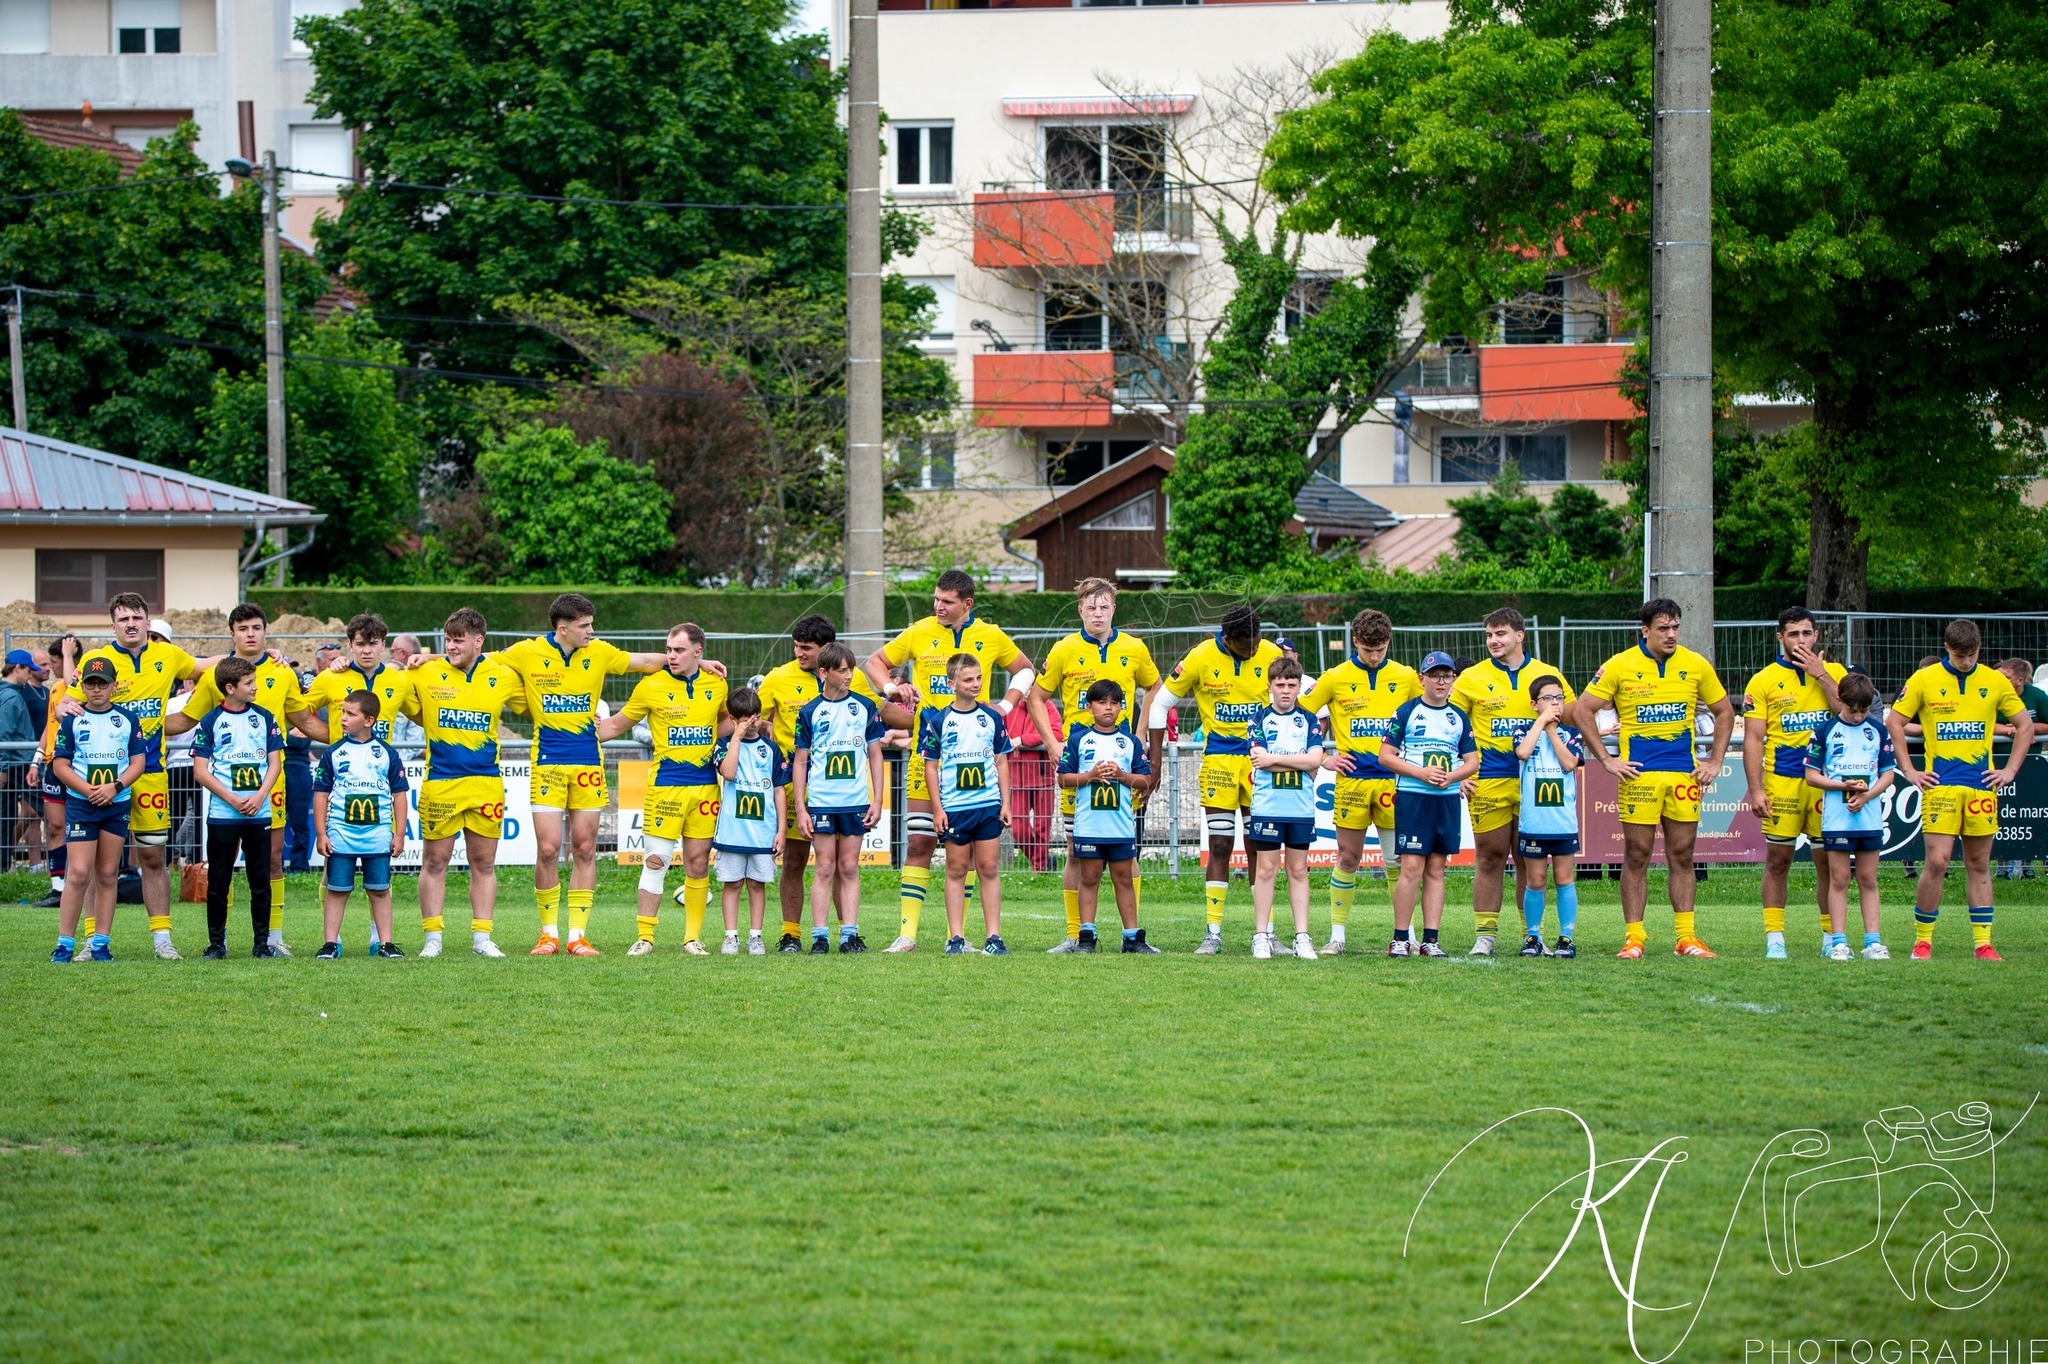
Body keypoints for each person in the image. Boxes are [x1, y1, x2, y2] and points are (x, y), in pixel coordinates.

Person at [492, 593, 676, 955]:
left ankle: (577, 935)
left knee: (585, 848)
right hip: (547, 763)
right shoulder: (527, 652)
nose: (591, 631)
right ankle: (548, 934)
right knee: (547, 850)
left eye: (591, 624)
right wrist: (423, 659)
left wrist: (700, 663)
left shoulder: (601, 652)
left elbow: (645, 661)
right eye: (584, 626)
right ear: (563, 629)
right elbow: (476, 659)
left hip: (589, 765)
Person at [865, 570, 1033, 952]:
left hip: (974, 765)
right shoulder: (919, 631)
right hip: (930, 758)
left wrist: (1006, 706)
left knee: (971, 853)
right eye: (936, 600)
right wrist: (893, 687)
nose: (938, 607)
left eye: (947, 602)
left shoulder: (990, 635)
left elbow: (1025, 669)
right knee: (920, 842)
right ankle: (907, 935)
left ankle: (958, 937)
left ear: (967, 604)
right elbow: (874, 663)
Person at [61, 595, 233, 960]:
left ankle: (162, 939)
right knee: (94, 864)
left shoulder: (167, 656)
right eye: (122, 618)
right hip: (99, 778)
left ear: (148, 622)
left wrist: (251, 656)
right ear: (112, 626)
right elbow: (67, 703)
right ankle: (93, 941)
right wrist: (63, 705)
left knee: (153, 856)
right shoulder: (97, 662)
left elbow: (204, 666)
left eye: (137, 617)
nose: (131, 623)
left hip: (150, 772)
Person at [1568, 598, 1736, 959]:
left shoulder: (1695, 664)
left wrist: (1715, 760)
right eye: (1664, 628)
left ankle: (1686, 937)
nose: (1672, 634)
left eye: (1675, 627)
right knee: (1637, 855)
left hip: (1683, 776)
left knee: (1682, 855)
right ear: (1645, 631)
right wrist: (1607, 760)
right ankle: (1634, 938)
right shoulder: (1619, 665)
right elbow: (1582, 709)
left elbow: (1725, 711)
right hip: (1639, 777)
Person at [167, 603, 322, 955]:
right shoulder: (213, 677)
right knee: (224, 866)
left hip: (269, 785)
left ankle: (273, 937)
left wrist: (348, 736)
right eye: (243, 629)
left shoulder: (283, 672)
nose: (251, 634)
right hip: (226, 792)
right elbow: (186, 721)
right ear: (232, 633)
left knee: (270, 860)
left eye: (256, 627)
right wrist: (139, 726)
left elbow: (305, 721)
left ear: (266, 631)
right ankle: (219, 941)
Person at [758, 615, 908, 953]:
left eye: (806, 648)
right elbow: (755, 717)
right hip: (802, 792)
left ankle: (847, 933)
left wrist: (926, 719)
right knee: (797, 861)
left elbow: (881, 715)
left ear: (827, 652)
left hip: (848, 794)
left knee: (845, 865)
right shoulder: (778, 678)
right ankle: (792, 934)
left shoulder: (854, 690)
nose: (799, 653)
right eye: (796, 646)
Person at [1026, 578, 1160, 950]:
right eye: (1090, 607)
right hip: (1080, 766)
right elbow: (1036, 696)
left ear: (1114, 609)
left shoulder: (1134, 648)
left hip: (1123, 765)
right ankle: (1076, 934)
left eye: (1104, 607)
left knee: (1126, 852)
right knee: (1074, 849)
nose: (1097, 613)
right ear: (1080, 610)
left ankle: (1131, 936)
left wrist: (1142, 731)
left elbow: (1156, 686)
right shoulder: (1065, 649)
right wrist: (1054, 743)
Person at [1886, 619, 2031, 961]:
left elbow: (2024, 726)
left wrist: (2010, 770)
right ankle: (1923, 942)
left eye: (1972, 655)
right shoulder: (1924, 679)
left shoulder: (1995, 681)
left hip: (1981, 788)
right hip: (1942, 786)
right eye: (1959, 655)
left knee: (1978, 863)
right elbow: (1895, 720)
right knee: (1936, 862)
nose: (1966, 661)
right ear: (1947, 649)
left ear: (1979, 650)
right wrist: (1909, 770)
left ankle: (1983, 944)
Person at [1147, 605, 1283, 955]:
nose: (1254, 650)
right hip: (1219, 761)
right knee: (1221, 845)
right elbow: (1160, 706)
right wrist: (1157, 761)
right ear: (1228, 639)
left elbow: (1303, 699)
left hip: (1260, 763)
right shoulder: (1201, 656)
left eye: (1257, 642)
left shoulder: (1270, 653)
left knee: (1260, 847)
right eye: (1246, 646)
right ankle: (1213, 932)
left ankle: (1265, 934)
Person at [596, 623, 729, 956]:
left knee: (698, 864)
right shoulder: (650, 686)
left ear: (698, 652)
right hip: (665, 788)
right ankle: (645, 937)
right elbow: (614, 725)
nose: (671, 655)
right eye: (668, 649)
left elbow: (724, 721)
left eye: (679, 650)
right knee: (655, 861)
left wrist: (749, 724)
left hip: (705, 789)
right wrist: (573, 731)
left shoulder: (716, 685)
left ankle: (692, 939)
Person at [402, 608, 527, 958]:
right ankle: (433, 938)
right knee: (435, 861)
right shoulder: (425, 671)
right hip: (441, 782)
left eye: (458, 640)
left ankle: (482, 938)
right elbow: (406, 704)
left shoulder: (501, 675)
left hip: (485, 783)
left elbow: (534, 707)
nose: (451, 647)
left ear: (478, 641)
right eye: (447, 640)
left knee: (484, 863)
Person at [1450, 608, 1575, 957]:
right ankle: (1485, 937)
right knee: (1489, 858)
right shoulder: (1471, 677)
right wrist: (1458, 771)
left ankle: (1530, 936)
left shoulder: (1548, 674)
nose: (1494, 641)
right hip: (1488, 779)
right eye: (1489, 635)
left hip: (1538, 781)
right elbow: (1450, 726)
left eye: (1501, 633)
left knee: (1528, 860)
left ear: (1520, 635)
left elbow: (1572, 715)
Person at [1304, 609, 1420, 955]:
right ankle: (1337, 936)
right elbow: (1301, 715)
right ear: (1355, 641)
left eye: (1381, 649)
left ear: (1388, 643)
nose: (1374, 656)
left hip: (1394, 782)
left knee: (1397, 860)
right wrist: (1324, 757)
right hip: (1352, 782)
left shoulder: (1406, 676)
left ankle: (1407, 934)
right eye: (1368, 649)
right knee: (1348, 857)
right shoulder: (1335, 677)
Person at [1738, 607, 1847, 958]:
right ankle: (1775, 939)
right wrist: (1755, 789)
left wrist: (1822, 676)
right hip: (1782, 781)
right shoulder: (1763, 680)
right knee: (1778, 860)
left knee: (1827, 861)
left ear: (1816, 636)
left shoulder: (1834, 672)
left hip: (1826, 784)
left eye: (1807, 634)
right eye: (1794, 634)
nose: (1801, 640)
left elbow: (1849, 713)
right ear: (1780, 638)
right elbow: (1754, 739)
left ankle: (1832, 939)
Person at [1378, 651, 1479, 957]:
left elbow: (1472, 761)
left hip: (1445, 801)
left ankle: (1431, 940)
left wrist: (1452, 777)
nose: (1441, 681)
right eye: (1434, 675)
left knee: (1436, 868)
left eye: (1446, 676)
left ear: (1454, 680)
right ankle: (1400, 937)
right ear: (1422, 679)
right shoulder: (1407, 711)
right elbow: (1385, 756)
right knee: (1411, 867)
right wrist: (1421, 773)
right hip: (1413, 798)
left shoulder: (1458, 717)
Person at [47, 655, 146, 962]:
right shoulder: (73, 719)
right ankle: (65, 943)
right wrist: (87, 790)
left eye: (103, 684)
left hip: (115, 805)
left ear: (114, 686)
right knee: (77, 873)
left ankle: (101, 944)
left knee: (106, 873)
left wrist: (114, 788)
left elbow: (138, 763)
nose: (96, 689)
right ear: (84, 686)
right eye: (90, 683)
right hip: (82, 805)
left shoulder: (127, 719)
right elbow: (60, 764)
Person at [189, 656, 285, 960]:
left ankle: (262, 943)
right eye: (249, 683)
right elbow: (200, 771)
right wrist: (231, 799)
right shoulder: (211, 721)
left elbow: (275, 762)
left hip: (259, 811)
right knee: (219, 879)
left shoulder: (265, 717)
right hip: (223, 814)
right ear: (230, 688)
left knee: (260, 878)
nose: (255, 687)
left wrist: (260, 796)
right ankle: (216, 944)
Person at [794, 643, 886, 954]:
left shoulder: (864, 707)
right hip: (821, 803)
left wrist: (877, 800)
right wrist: (800, 806)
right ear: (824, 673)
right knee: (824, 867)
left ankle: (850, 935)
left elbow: (875, 754)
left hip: (855, 802)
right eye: (842, 670)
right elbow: (800, 762)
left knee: (848, 867)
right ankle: (820, 937)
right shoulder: (809, 712)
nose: (849, 675)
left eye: (851, 669)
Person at [921, 654, 1013, 956]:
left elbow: (1001, 760)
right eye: (968, 679)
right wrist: (937, 808)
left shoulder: (992, 718)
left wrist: (1006, 803)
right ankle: (956, 937)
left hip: (987, 805)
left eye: (978, 678)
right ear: (952, 684)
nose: (975, 684)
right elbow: (931, 766)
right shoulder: (939, 721)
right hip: (955, 807)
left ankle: (994, 937)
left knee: (988, 867)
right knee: (956, 868)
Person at [1056, 680, 1157, 953]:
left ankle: (1132, 937)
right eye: (1102, 703)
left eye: (1114, 703)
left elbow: (1145, 780)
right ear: (1089, 707)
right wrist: (1089, 777)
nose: (1108, 708)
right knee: (1089, 879)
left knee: (1123, 878)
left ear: (1122, 707)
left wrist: (1123, 777)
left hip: (1120, 826)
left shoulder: (1130, 743)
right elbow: (1063, 779)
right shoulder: (1078, 741)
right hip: (1089, 825)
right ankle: (1086, 936)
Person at [313, 690, 410, 961]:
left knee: (379, 890)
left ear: (369, 720)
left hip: (377, 834)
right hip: (341, 833)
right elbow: (320, 794)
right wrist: (321, 833)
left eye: (350, 714)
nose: (343, 718)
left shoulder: (387, 754)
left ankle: (385, 943)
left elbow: (399, 795)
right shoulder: (333, 753)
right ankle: (330, 943)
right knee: (337, 890)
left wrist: (399, 834)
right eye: (342, 712)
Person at [1805, 673, 1896, 961]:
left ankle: (1873, 942)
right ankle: (1839, 943)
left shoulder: (1878, 731)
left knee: (1869, 878)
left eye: (1864, 710)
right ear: (1840, 701)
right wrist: (1842, 786)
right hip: (1837, 818)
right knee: (1840, 879)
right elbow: (1811, 776)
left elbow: (1888, 775)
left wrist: (1868, 795)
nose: (1858, 716)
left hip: (1868, 818)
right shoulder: (1825, 731)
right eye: (1852, 709)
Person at [1246, 656, 1324, 961]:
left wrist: (1275, 760)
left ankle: (1302, 937)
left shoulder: (1310, 720)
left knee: (1298, 871)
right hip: (1267, 807)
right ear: (1270, 686)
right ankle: (1261, 936)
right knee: (1266, 870)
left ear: (1299, 687)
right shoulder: (1258, 719)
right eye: (1280, 685)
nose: (1286, 691)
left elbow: (1315, 759)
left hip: (1300, 809)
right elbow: (1258, 758)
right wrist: (1301, 761)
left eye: (1292, 685)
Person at [708, 688, 789, 956]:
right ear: (733, 719)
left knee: (756, 883)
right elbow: (729, 773)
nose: (751, 724)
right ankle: (731, 936)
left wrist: (780, 831)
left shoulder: (771, 749)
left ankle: (756, 936)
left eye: (755, 717)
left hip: (762, 832)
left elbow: (778, 790)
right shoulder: (724, 745)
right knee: (732, 884)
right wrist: (737, 738)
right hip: (733, 830)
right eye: (744, 720)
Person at [1513, 675, 1582, 958]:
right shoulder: (1523, 730)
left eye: (1559, 699)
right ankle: (1533, 936)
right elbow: (1522, 752)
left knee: (1564, 878)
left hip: (1562, 822)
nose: (1555, 704)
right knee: (1536, 880)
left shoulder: (1570, 734)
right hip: (1533, 822)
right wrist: (1541, 724)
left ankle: (1566, 937)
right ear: (1534, 704)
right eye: (1548, 699)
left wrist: (1553, 731)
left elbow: (1569, 764)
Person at [29, 636, 81, 909]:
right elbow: (50, 726)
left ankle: (78, 884)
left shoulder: (77, 687)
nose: (52, 667)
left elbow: (74, 683)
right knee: (55, 827)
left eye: (56, 661)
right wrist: (37, 759)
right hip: (52, 767)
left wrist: (69, 653)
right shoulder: (54, 691)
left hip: (76, 766)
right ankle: (57, 887)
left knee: (79, 827)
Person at [1993, 658, 2048, 877]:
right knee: (2000, 813)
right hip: (1997, 765)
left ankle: (2028, 864)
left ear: (2020, 680)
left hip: (2030, 765)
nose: (2000, 680)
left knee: (2029, 813)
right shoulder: (1993, 695)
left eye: (2005, 677)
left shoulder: (2037, 696)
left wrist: (2027, 727)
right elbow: (1984, 723)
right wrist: (2007, 730)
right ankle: (2002, 865)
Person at [1005, 694, 1059, 873]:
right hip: (1016, 778)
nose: (1028, 692)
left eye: (1032, 687)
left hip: (1043, 777)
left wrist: (1023, 740)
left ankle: (1039, 869)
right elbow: (1000, 734)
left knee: (1043, 826)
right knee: (1018, 828)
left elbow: (1057, 734)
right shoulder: (1010, 708)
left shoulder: (1048, 707)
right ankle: (1043, 861)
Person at [0, 649, 37, 868]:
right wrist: (3, 767)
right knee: (9, 816)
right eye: (28, 671)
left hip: (13, 762)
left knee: (7, 816)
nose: (29, 676)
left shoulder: (9, 692)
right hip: (16, 763)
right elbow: (4, 732)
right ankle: (3, 865)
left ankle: (4, 866)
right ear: (18, 669)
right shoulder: (11, 696)